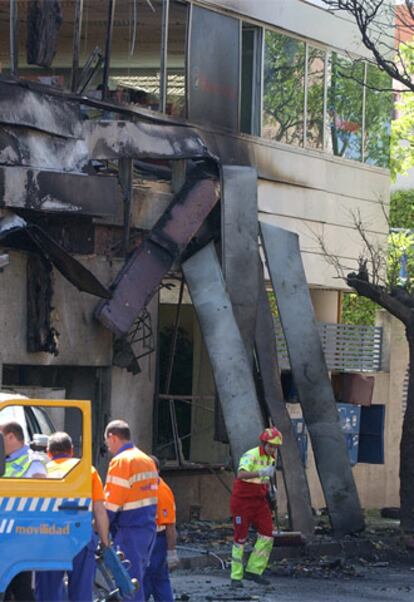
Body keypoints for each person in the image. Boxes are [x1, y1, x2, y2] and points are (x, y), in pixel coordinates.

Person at [35, 432, 110, 602]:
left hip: (49, 538)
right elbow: (99, 509)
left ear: (48, 453)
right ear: (72, 450)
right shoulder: (86, 471)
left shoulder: (41, 472)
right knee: (81, 593)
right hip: (80, 537)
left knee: (48, 594)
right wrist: (105, 541)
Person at [104, 420, 158, 602]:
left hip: (129, 530)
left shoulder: (121, 461)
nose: (107, 446)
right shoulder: (146, 459)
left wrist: (100, 525)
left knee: (127, 584)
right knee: (136, 581)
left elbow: (112, 503)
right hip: (147, 528)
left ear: (112, 437)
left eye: (107, 441)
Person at [230, 426, 283, 587]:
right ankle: (236, 576)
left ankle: (254, 570)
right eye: (270, 446)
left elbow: (265, 479)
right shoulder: (251, 455)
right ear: (263, 443)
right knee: (240, 538)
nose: (272, 449)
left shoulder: (271, 458)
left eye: (275, 447)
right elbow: (241, 474)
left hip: (259, 500)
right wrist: (260, 473)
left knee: (267, 535)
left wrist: (271, 490)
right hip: (242, 501)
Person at [0, 421, 47, 601]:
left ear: (11, 436)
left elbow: (41, 499)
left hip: (21, 534)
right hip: (6, 532)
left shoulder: (33, 462)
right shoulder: (6, 461)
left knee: (20, 588)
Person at [143, 456, 178, 602]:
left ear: (157, 470)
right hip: (151, 538)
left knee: (147, 578)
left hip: (157, 540)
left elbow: (169, 526)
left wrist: (171, 552)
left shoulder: (161, 492)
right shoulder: (148, 487)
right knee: (159, 579)